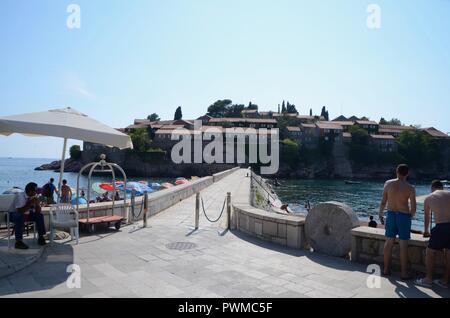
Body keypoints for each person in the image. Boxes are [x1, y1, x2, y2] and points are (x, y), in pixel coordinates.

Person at [379, 164, 416, 279]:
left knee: (389, 241)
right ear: (407, 173)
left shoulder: (388, 183)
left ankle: (386, 269)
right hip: (403, 216)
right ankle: (404, 274)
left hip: (390, 214)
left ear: (396, 171)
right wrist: (411, 216)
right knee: (403, 245)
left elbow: (383, 201)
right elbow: (413, 207)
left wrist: (380, 213)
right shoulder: (410, 188)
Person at [415, 180, 450, 289]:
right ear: (442, 188)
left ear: (432, 188)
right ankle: (445, 281)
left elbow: (426, 218)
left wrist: (426, 231)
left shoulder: (429, 197)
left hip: (441, 227)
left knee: (430, 252)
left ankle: (428, 279)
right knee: (449, 254)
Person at [10, 182, 47, 249]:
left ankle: (41, 237)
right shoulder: (20, 196)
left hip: (26, 214)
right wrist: (30, 203)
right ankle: (18, 242)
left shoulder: (32, 197)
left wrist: (37, 204)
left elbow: (38, 212)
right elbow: (19, 211)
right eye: (35, 191)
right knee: (19, 217)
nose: (36, 192)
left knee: (39, 216)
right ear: (30, 191)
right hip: (13, 214)